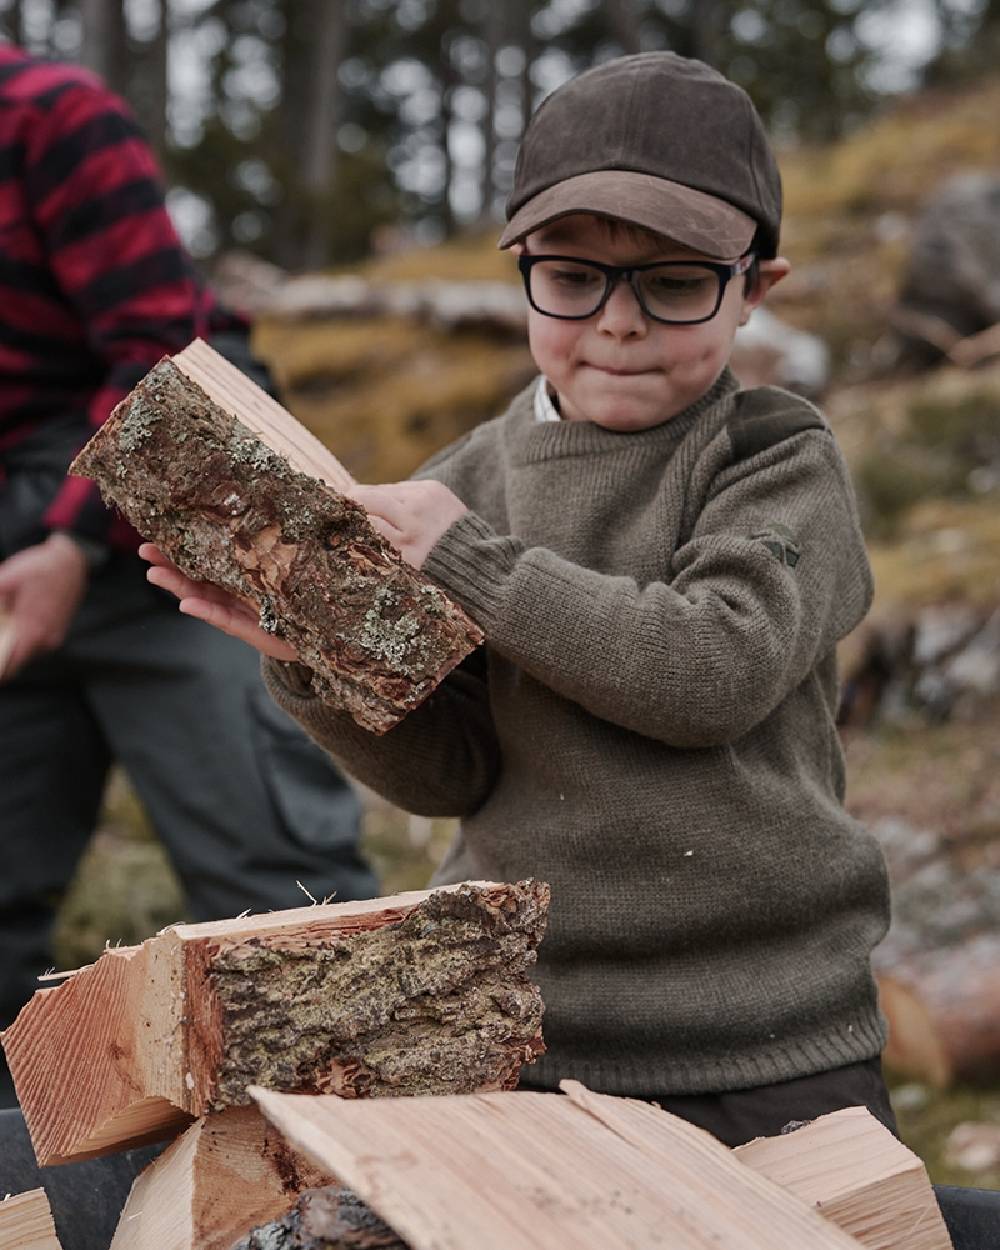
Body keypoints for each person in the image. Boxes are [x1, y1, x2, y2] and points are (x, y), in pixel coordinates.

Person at [145, 51, 895, 1148]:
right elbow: (455, 770)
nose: (619, 323)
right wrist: (321, 658)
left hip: (772, 1035)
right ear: (524, 268)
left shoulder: (774, 457)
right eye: (574, 275)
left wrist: (470, 564)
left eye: (676, 281)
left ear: (754, 288)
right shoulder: (466, 479)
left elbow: (712, 671)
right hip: (524, 1031)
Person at [0, 43, 376, 1109]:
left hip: (174, 504)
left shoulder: (47, 117)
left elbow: (163, 348)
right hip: (14, 547)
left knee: (273, 881)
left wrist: (74, 539)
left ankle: (372, 1162)